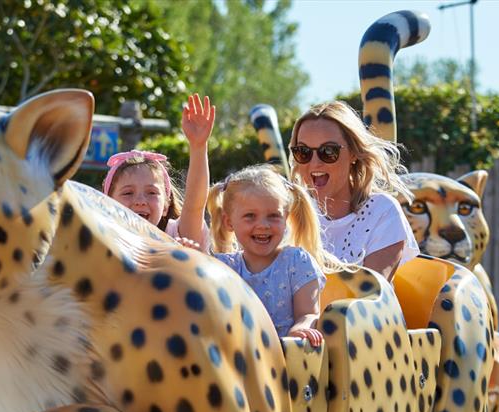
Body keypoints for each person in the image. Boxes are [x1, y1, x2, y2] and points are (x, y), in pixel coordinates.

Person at [207, 165, 348, 346]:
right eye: (250, 216)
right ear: (229, 222)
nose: (263, 225)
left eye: (273, 216)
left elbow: (308, 313)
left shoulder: (296, 262)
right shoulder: (224, 268)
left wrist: (301, 327)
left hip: (287, 359)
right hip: (239, 361)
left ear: (286, 218)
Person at [288, 101, 419, 280]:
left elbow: (369, 294)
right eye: (303, 151)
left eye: (328, 151)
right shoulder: (284, 212)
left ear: (353, 154)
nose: (314, 162)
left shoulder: (382, 211)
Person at [103, 93, 215, 251]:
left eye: (151, 192)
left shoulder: (177, 237)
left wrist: (198, 146)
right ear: (109, 204)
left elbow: (194, 205)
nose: (140, 200)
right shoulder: (100, 242)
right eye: (128, 193)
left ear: (165, 206)